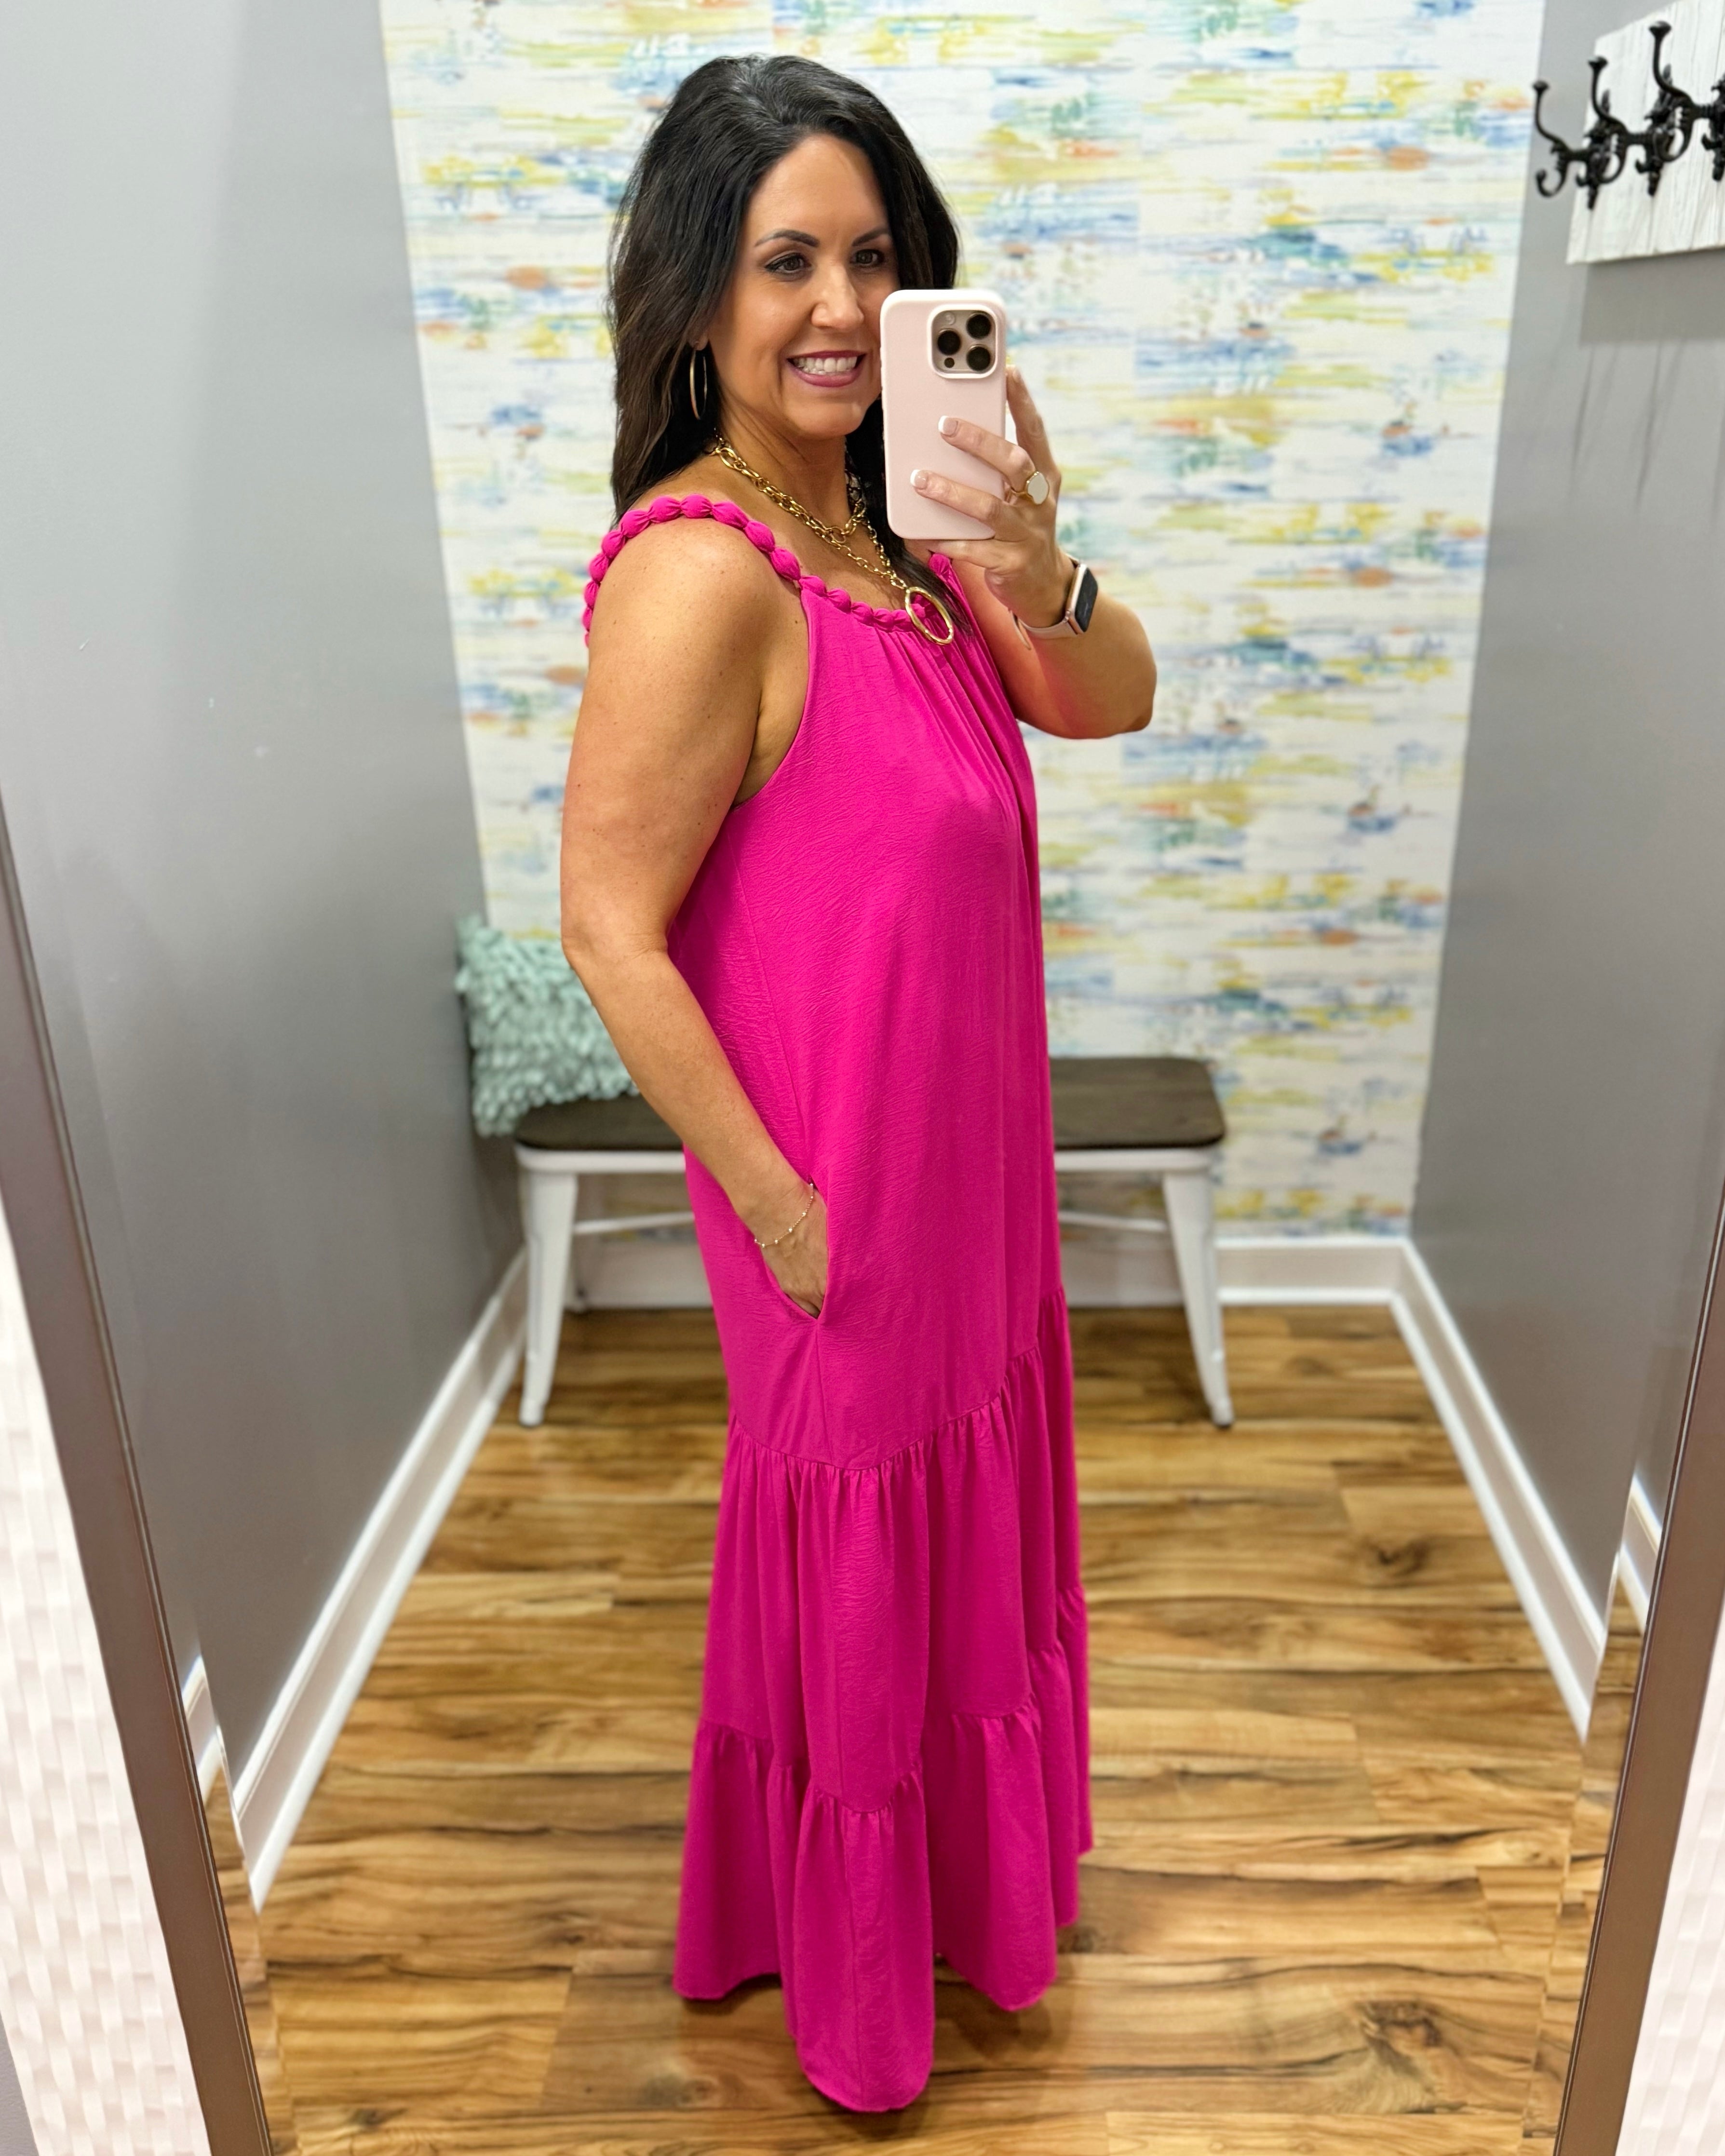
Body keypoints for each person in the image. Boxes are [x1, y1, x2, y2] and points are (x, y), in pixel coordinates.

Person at [560, 52, 1156, 2114]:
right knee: (862, 1558)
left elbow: (1113, 699)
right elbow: (608, 931)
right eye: (783, 260)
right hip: (844, 1208)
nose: (838, 306)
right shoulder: (702, 571)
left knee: (954, 1546)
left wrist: (1034, 561)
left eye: (874, 257)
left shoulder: (903, 537)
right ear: (694, 299)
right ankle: (856, 1984)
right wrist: (779, 1207)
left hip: (968, 1184)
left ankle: (960, 1907)